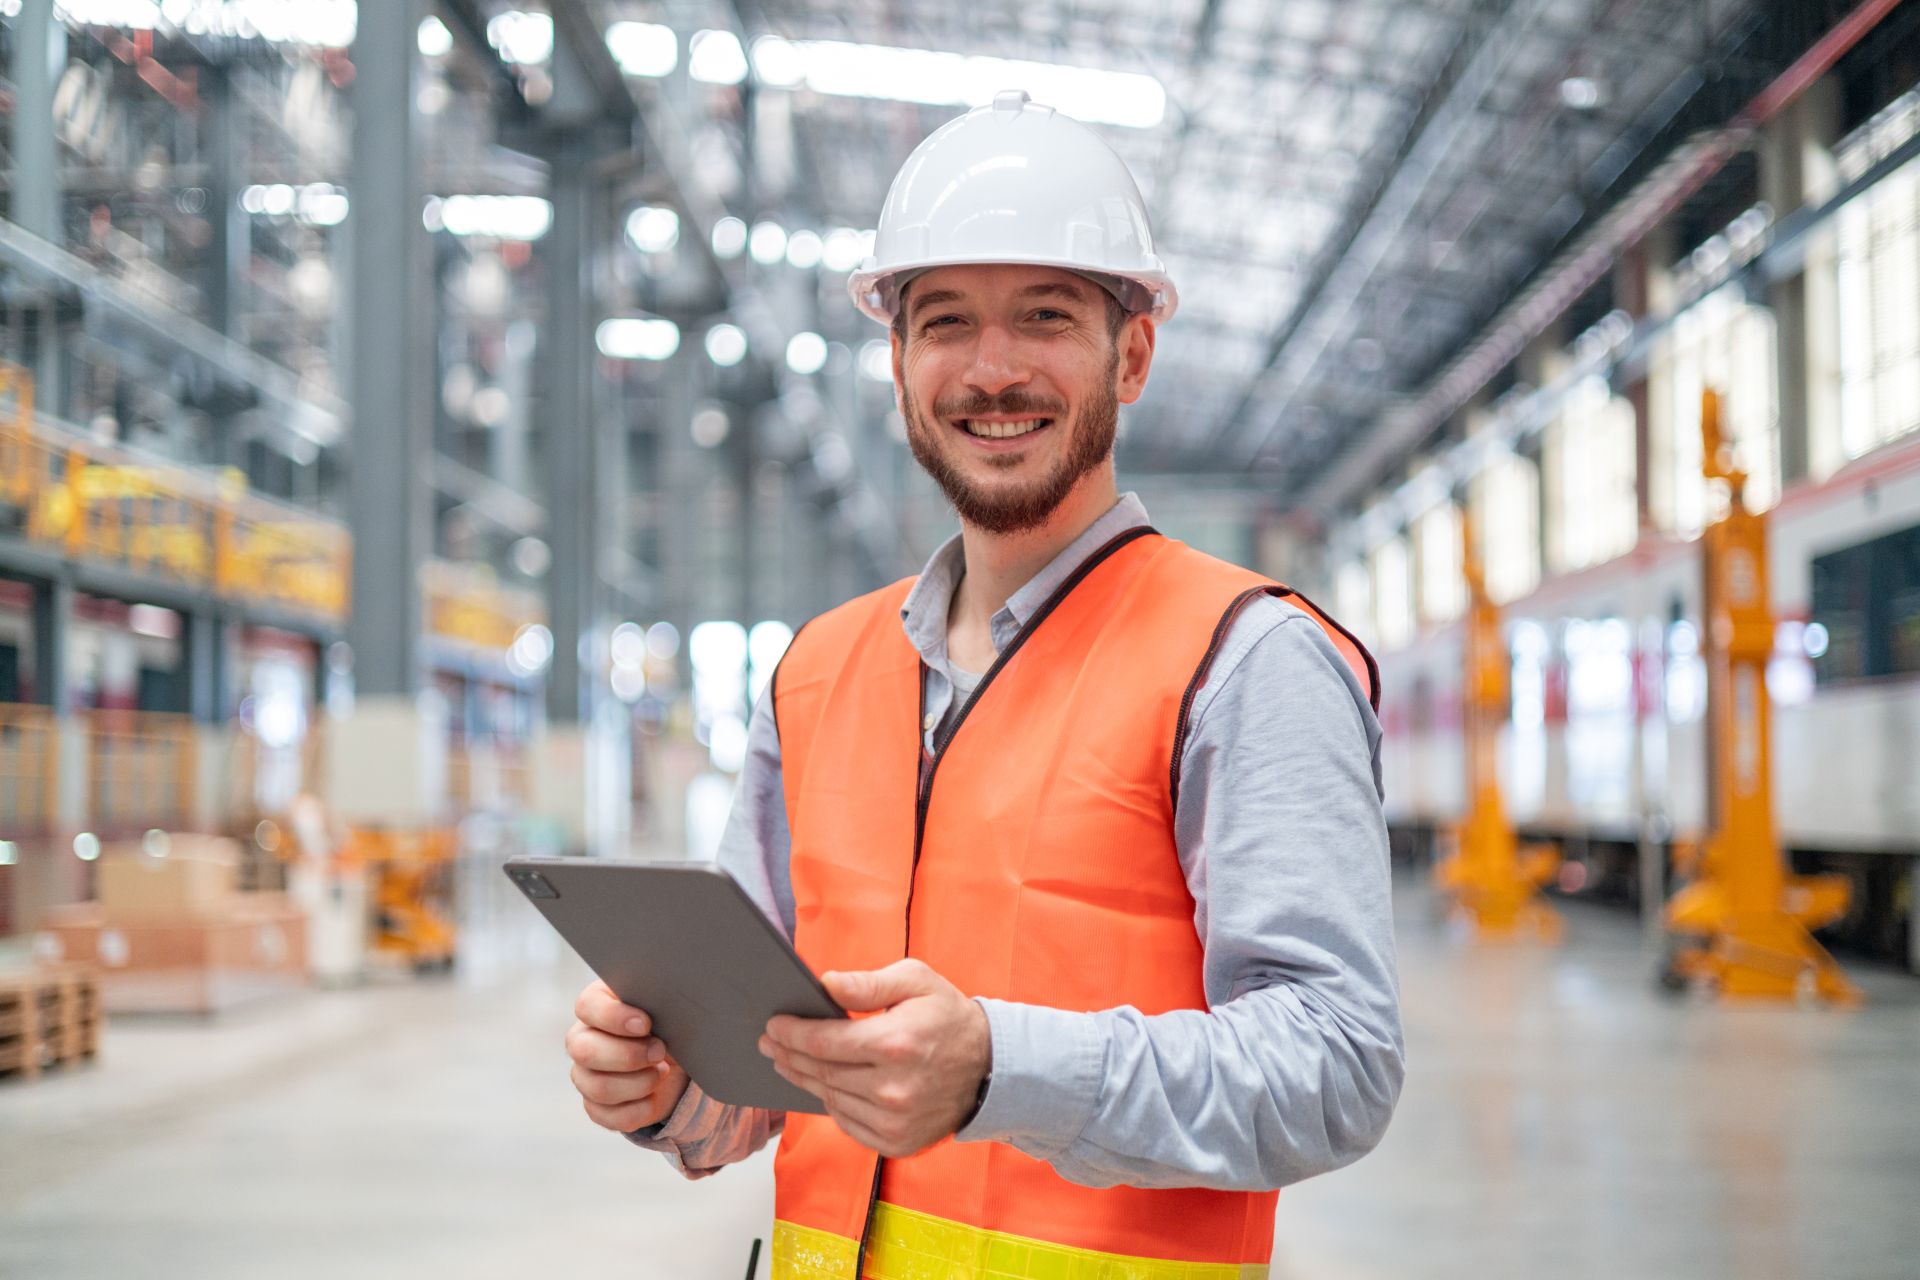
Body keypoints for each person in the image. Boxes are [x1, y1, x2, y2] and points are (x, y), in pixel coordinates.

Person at [565, 90, 1403, 1277]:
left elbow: (1339, 1063)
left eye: (1047, 316)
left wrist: (1003, 1070)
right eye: (946, 320)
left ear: (1134, 350)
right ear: (898, 360)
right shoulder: (817, 673)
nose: (992, 369)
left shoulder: (1245, 659)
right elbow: (765, 1070)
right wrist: (668, 1089)